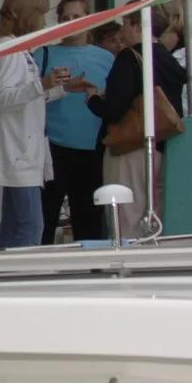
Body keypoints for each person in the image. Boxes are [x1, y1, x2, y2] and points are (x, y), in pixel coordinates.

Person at [0, 0, 68, 250]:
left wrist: (58, 89)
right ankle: (18, 272)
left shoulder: (15, 50)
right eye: (41, 15)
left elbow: (24, 99)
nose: (44, 22)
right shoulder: (9, 51)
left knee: (14, 225)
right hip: (18, 150)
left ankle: (0, 270)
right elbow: (4, 98)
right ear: (28, 16)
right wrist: (42, 84)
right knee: (30, 226)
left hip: (20, 149)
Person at [88, 5, 191, 237]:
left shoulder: (129, 58)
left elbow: (115, 109)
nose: (120, 30)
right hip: (163, 145)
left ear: (137, 25)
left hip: (130, 147)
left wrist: (93, 99)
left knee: (126, 218)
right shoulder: (167, 57)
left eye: (125, 23)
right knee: (155, 217)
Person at [42, 17, 125, 241]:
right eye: (66, 18)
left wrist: (99, 98)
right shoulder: (43, 53)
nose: (72, 22)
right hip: (52, 146)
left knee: (89, 222)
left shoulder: (106, 57)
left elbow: (115, 97)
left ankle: (88, 261)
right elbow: (31, 95)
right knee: (45, 218)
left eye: (77, 17)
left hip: (92, 146)